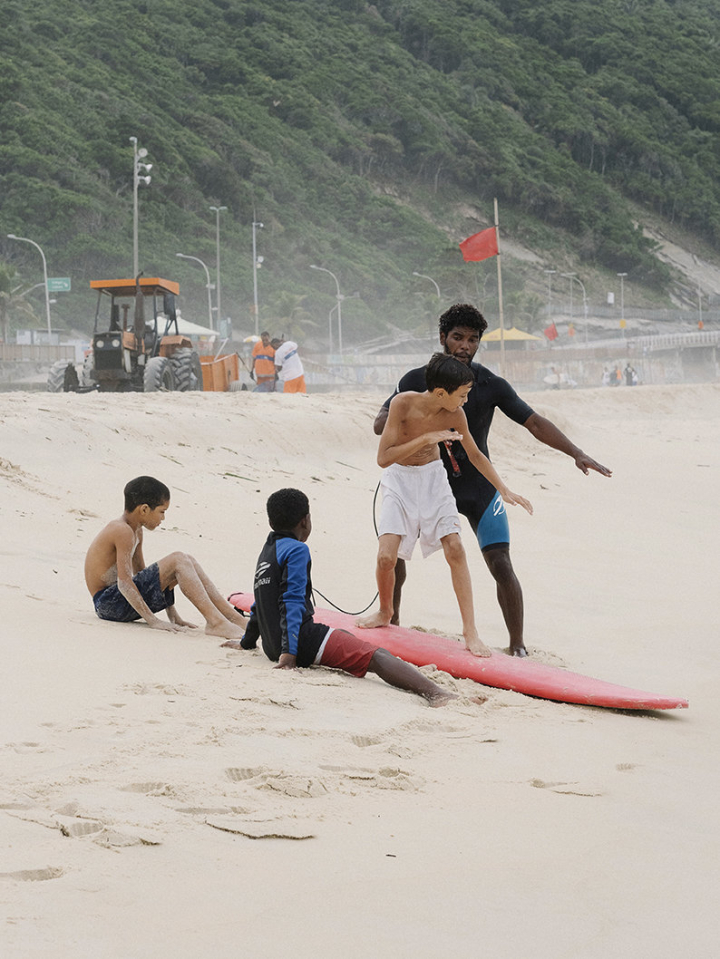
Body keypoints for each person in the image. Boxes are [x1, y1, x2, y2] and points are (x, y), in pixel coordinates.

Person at [374, 303, 612, 657]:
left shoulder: (488, 385)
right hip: (427, 481)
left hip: (478, 486)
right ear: (443, 338)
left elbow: (532, 421)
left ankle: (517, 645)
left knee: (500, 561)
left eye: (473, 339)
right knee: (395, 556)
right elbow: (384, 421)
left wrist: (574, 451)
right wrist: (402, 424)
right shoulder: (416, 381)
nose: (465, 346)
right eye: (457, 337)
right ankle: (391, 624)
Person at [357, 353, 533, 657]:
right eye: (462, 395)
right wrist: (427, 438)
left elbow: (476, 455)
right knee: (387, 557)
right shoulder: (402, 404)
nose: (465, 401)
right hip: (398, 480)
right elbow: (384, 458)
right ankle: (385, 611)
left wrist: (504, 489)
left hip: (433, 480)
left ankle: (470, 632)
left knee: (455, 548)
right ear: (441, 393)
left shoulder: (455, 415)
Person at [225, 488, 462, 707]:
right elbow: (292, 601)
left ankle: (426, 686)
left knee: (346, 638)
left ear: (271, 522)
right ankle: (437, 694)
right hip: (300, 643)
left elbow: (259, 600)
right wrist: (289, 656)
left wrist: (247, 642)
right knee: (376, 656)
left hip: (271, 645)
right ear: (305, 521)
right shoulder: (297, 550)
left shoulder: (267, 550)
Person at [85, 475, 246, 642]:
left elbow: (145, 575)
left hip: (118, 601)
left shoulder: (136, 530)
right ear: (144, 509)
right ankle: (215, 622)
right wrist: (153, 621)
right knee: (178, 560)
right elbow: (125, 583)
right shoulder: (122, 530)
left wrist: (173, 615)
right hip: (107, 603)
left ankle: (235, 619)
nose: (163, 518)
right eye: (162, 512)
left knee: (186, 560)